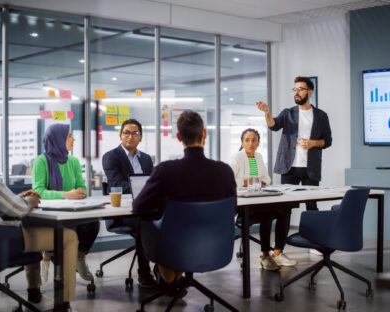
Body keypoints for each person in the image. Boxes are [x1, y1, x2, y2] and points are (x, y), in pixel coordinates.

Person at [0, 112, 78, 308]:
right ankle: (64, 304)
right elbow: (16, 209)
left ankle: (34, 289)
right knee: (67, 237)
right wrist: (30, 202)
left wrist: (17, 199)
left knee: (31, 225)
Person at [132, 111, 236, 290]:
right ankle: (174, 280)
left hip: (175, 247)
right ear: (204, 134)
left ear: (179, 137)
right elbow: (232, 210)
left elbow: (139, 207)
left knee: (151, 225)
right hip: (215, 247)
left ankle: (170, 281)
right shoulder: (224, 171)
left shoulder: (166, 170)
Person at [32, 123, 100, 285]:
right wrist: (66, 195)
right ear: (57, 139)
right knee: (60, 229)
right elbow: (38, 191)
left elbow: (81, 186)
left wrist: (81, 192)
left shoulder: (74, 161)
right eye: (69, 135)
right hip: (49, 214)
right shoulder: (40, 162)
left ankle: (79, 258)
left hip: (73, 211)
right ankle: (46, 258)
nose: (73, 139)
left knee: (93, 223)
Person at [256, 76, 332, 210]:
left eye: (300, 89)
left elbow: (328, 141)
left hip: (311, 169)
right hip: (289, 167)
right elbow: (273, 125)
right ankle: (282, 232)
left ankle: (313, 231)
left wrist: (313, 143)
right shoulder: (287, 113)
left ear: (310, 92)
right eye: (295, 89)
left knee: (311, 205)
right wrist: (267, 113)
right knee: (284, 208)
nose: (296, 93)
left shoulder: (321, 116)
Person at [229, 129, 297, 270]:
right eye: (247, 140)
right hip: (242, 204)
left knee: (285, 210)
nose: (251, 143)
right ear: (242, 142)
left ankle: (278, 252)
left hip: (259, 198)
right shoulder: (237, 157)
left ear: (258, 142)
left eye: (254, 140)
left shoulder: (258, 157)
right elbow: (230, 180)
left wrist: (255, 181)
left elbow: (267, 179)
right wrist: (250, 182)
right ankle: (265, 256)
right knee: (267, 213)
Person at [101, 118, 156, 288]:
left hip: (146, 206)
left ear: (141, 137)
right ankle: (144, 273)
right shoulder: (111, 157)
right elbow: (117, 184)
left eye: (134, 133)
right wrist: (143, 186)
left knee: (168, 217)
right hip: (123, 212)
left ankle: (166, 269)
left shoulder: (146, 159)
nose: (130, 137)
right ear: (120, 135)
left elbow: (153, 182)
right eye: (126, 133)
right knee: (145, 222)